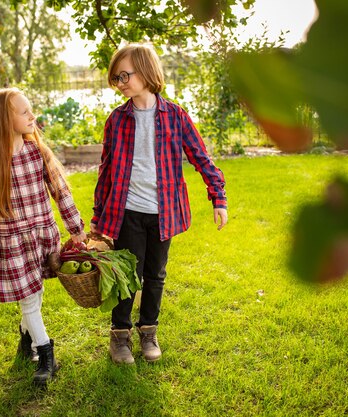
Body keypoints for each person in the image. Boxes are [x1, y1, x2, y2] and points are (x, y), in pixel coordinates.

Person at [91, 44, 228, 364]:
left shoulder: (176, 116)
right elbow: (106, 170)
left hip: (164, 212)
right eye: (116, 77)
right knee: (127, 273)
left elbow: (201, 158)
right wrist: (98, 216)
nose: (120, 81)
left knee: (155, 274)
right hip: (128, 212)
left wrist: (218, 196)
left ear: (147, 72)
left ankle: (148, 331)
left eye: (125, 74)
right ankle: (120, 336)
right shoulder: (117, 120)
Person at [0, 87, 87, 385]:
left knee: (35, 294)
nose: (33, 116)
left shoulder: (37, 152)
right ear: (5, 120)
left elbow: (61, 191)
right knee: (28, 299)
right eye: (24, 112)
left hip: (42, 235)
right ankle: (46, 355)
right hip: (12, 241)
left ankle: (25, 340)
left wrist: (76, 228)